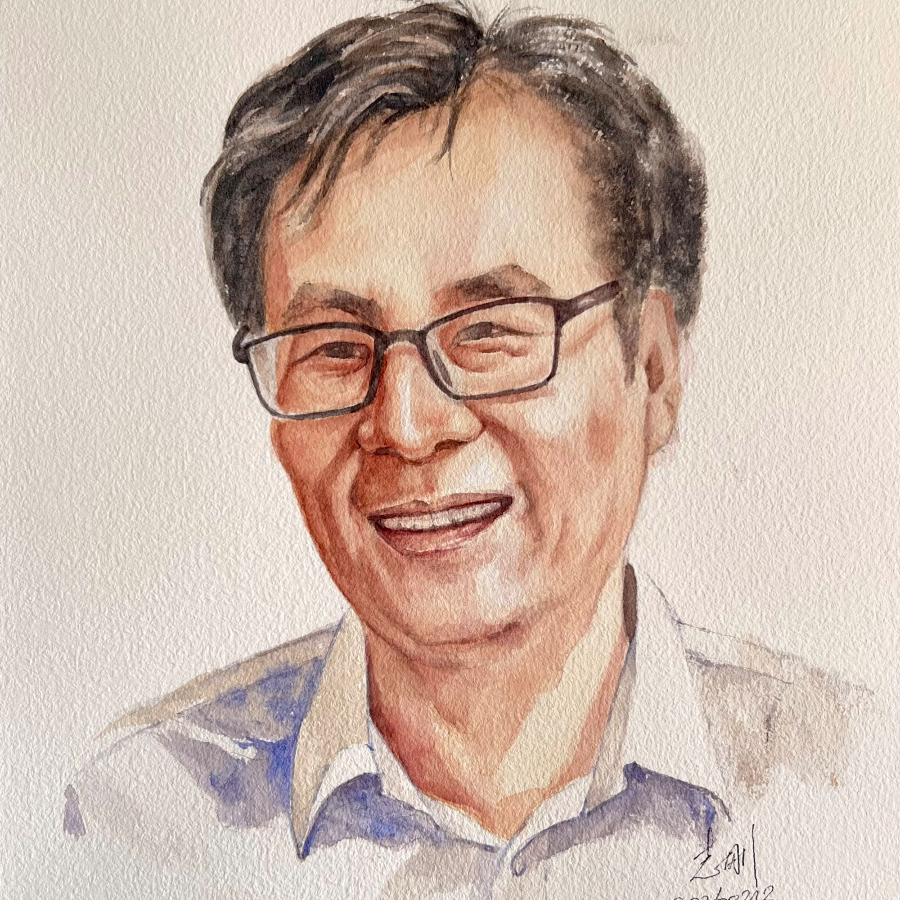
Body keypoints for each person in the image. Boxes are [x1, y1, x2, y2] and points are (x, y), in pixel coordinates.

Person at [63, 4, 880, 897]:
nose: (408, 425)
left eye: (490, 332)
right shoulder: (142, 819)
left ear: (652, 369)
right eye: (334, 347)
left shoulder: (853, 783)